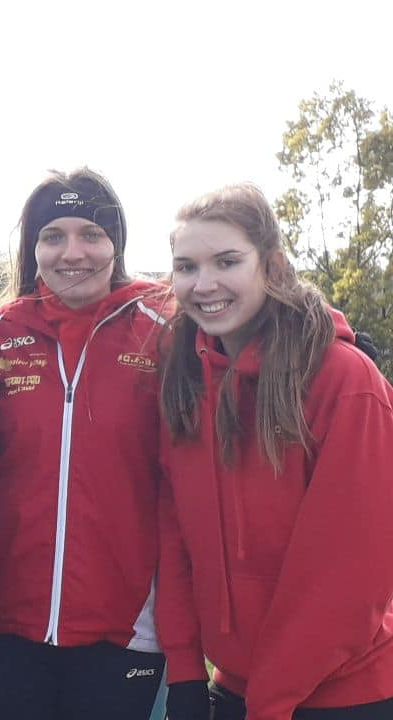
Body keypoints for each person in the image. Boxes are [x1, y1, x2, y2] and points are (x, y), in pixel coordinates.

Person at [157, 183, 393, 720]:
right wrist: (186, 676)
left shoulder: (342, 379)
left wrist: (268, 705)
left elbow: (350, 575)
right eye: (186, 266)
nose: (204, 284)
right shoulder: (184, 377)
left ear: (272, 264)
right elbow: (175, 536)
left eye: (227, 261)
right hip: (234, 688)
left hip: (343, 694)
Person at [0, 168, 169, 719]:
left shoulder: (167, 330)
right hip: (2, 623)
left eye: (91, 234)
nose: (71, 252)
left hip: (129, 630)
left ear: (117, 245)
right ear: (32, 249)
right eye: (53, 236)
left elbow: (254, 327)